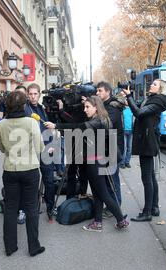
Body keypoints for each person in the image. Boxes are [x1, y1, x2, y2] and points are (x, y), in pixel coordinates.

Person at [45, 96, 129, 232]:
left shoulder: (97, 122)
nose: (85, 110)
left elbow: (77, 128)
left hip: (95, 161)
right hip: (99, 160)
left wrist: (56, 126)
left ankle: (120, 219)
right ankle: (98, 222)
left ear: (96, 107)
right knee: (97, 193)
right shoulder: (103, 119)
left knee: (103, 194)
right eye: (84, 107)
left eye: (87, 107)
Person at [0, 91, 46, 257]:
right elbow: (40, 148)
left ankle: (10, 247)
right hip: (30, 169)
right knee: (31, 207)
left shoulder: (1, 124)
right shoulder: (31, 123)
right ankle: (34, 247)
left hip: (10, 170)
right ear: (24, 105)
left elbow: (2, 148)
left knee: (10, 209)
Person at [124, 79, 166, 222]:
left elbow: (139, 113)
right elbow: (138, 108)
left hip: (147, 142)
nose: (151, 84)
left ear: (160, 89)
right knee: (150, 176)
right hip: (147, 140)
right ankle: (154, 207)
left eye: (155, 84)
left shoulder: (157, 101)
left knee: (147, 178)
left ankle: (147, 212)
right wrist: (127, 99)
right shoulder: (152, 99)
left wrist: (129, 96)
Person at [24, 83, 56, 216]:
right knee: (31, 181)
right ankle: (29, 208)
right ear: (27, 95)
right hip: (31, 149)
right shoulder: (25, 109)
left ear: (39, 94)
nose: (33, 96)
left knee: (49, 179)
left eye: (35, 94)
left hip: (46, 148)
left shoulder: (42, 108)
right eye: (30, 94)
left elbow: (47, 128)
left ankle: (50, 207)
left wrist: (52, 144)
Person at [96, 81, 124, 206]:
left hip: (113, 148)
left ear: (108, 92)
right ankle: (112, 205)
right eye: (97, 90)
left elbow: (106, 125)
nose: (97, 93)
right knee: (108, 179)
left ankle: (116, 205)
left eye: (100, 91)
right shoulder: (103, 105)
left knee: (113, 179)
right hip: (106, 147)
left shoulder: (112, 107)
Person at [117, 92, 133, 169]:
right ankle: (122, 163)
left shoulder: (133, 109)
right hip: (124, 130)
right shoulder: (122, 109)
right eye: (126, 100)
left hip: (131, 131)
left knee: (130, 147)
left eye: (128, 100)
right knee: (124, 147)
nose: (127, 101)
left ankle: (127, 162)